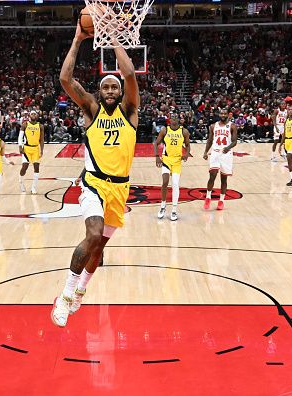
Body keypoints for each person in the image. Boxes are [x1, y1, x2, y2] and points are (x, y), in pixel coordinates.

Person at [51, 23, 139, 327]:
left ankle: (80, 292)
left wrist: (113, 38)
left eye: (114, 87)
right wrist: (77, 40)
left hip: (120, 190)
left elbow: (129, 73)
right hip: (94, 184)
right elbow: (65, 79)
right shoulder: (91, 109)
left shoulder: (130, 111)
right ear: (99, 93)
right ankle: (64, 297)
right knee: (92, 235)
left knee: (99, 247)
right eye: (106, 87)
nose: (112, 90)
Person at [153, 113, 191, 221]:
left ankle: (174, 210)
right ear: (169, 119)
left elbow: (188, 145)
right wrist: (157, 157)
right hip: (166, 159)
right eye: (172, 118)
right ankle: (163, 206)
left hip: (177, 161)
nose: (174, 119)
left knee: (175, 184)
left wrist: (187, 154)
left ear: (179, 120)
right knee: (165, 182)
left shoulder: (184, 131)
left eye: (176, 118)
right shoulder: (165, 130)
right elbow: (156, 143)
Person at [202, 109, 237, 211]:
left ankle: (221, 200)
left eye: (225, 113)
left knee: (224, 178)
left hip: (226, 154)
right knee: (212, 175)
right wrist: (205, 152)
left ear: (228, 115)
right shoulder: (213, 126)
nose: (223, 115)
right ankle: (208, 197)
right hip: (215, 152)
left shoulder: (232, 126)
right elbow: (210, 140)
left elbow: (235, 141)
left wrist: (228, 147)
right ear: (219, 114)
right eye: (221, 113)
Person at [18, 110, 44, 194]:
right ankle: (21, 181)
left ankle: (33, 188)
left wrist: (42, 150)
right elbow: (20, 137)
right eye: (32, 114)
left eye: (35, 114)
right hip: (26, 148)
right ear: (29, 115)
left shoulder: (40, 126)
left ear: (36, 116)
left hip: (36, 149)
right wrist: (20, 146)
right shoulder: (25, 124)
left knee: (36, 168)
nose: (33, 115)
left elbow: (42, 139)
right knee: (24, 167)